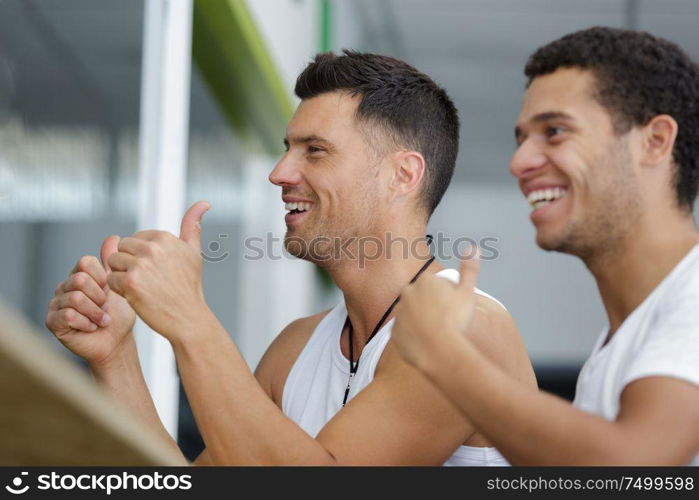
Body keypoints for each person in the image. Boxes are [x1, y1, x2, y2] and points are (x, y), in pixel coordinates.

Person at [45, 51, 536, 465]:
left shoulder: (467, 325)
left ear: (402, 176)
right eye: (287, 149)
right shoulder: (295, 349)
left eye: (315, 151)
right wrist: (115, 357)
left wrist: (189, 319)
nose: (280, 172)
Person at [391, 27, 699, 465]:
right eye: (521, 140)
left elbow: (636, 469)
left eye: (554, 131)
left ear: (654, 142)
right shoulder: (620, 344)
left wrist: (445, 356)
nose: (519, 163)